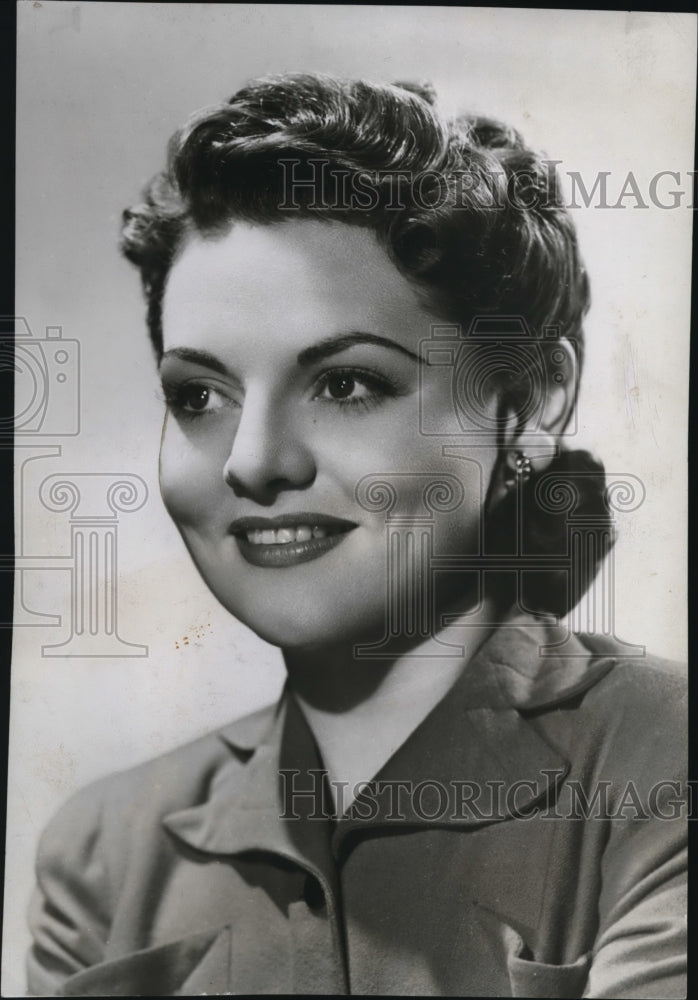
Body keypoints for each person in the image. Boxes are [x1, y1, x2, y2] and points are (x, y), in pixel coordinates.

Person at [27, 74, 686, 997]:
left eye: (346, 384)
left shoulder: (662, 760)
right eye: (199, 395)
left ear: (532, 402)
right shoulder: (103, 853)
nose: (253, 463)